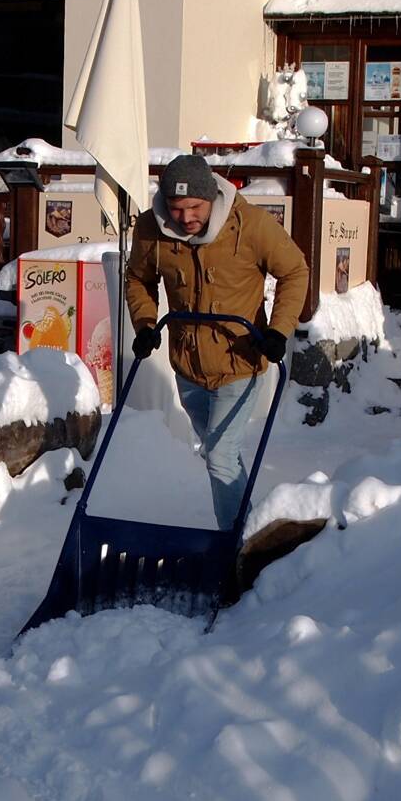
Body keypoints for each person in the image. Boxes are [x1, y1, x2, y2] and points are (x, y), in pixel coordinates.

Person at [126, 153, 309, 530]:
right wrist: (145, 324)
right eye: (176, 208)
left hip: (238, 362)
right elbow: (137, 278)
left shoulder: (251, 225)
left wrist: (278, 331)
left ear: (211, 197)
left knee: (220, 455)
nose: (185, 217)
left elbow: (294, 270)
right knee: (216, 451)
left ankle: (235, 546)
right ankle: (255, 527)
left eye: (194, 206)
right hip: (188, 367)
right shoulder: (151, 228)